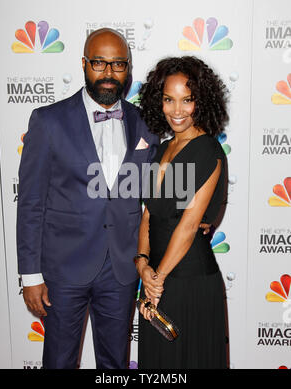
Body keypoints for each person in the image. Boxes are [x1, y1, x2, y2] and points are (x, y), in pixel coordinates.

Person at [16, 28, 160, 369]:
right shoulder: (48, 121)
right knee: (59, 361)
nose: (109, 74)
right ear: (84, 64)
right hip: (63, 269)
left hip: (122, 269)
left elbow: (158, 192)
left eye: (118, 65)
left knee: (115, 363)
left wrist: (200, 211)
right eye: (99, 63)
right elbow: (31, 203)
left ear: (129, 69)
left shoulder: (144, 123)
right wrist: (30, 276)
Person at [135, 56, 229, 369]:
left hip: (190, 281)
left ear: (201, 102)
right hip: (157, 281)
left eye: (186, 100)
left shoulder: (207, 150)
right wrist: (143, 266)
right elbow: (149, 215)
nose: (177, 111)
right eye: (168, 100)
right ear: (157, 101)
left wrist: (156, 283)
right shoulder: (162, 149)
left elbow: (188, 227)